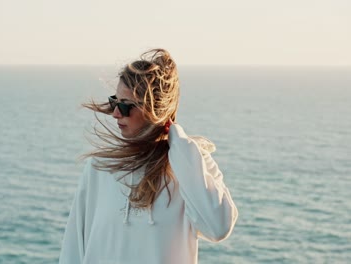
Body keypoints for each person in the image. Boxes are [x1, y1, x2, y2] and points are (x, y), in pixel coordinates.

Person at [59, 49, 238, 264]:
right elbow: (73, 250)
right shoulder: (100, 167)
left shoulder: (192, 164)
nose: (116, 113)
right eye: (115, 102)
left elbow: (217, 227)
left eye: (126, 105)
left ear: (156, 109)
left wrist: (179, 143)